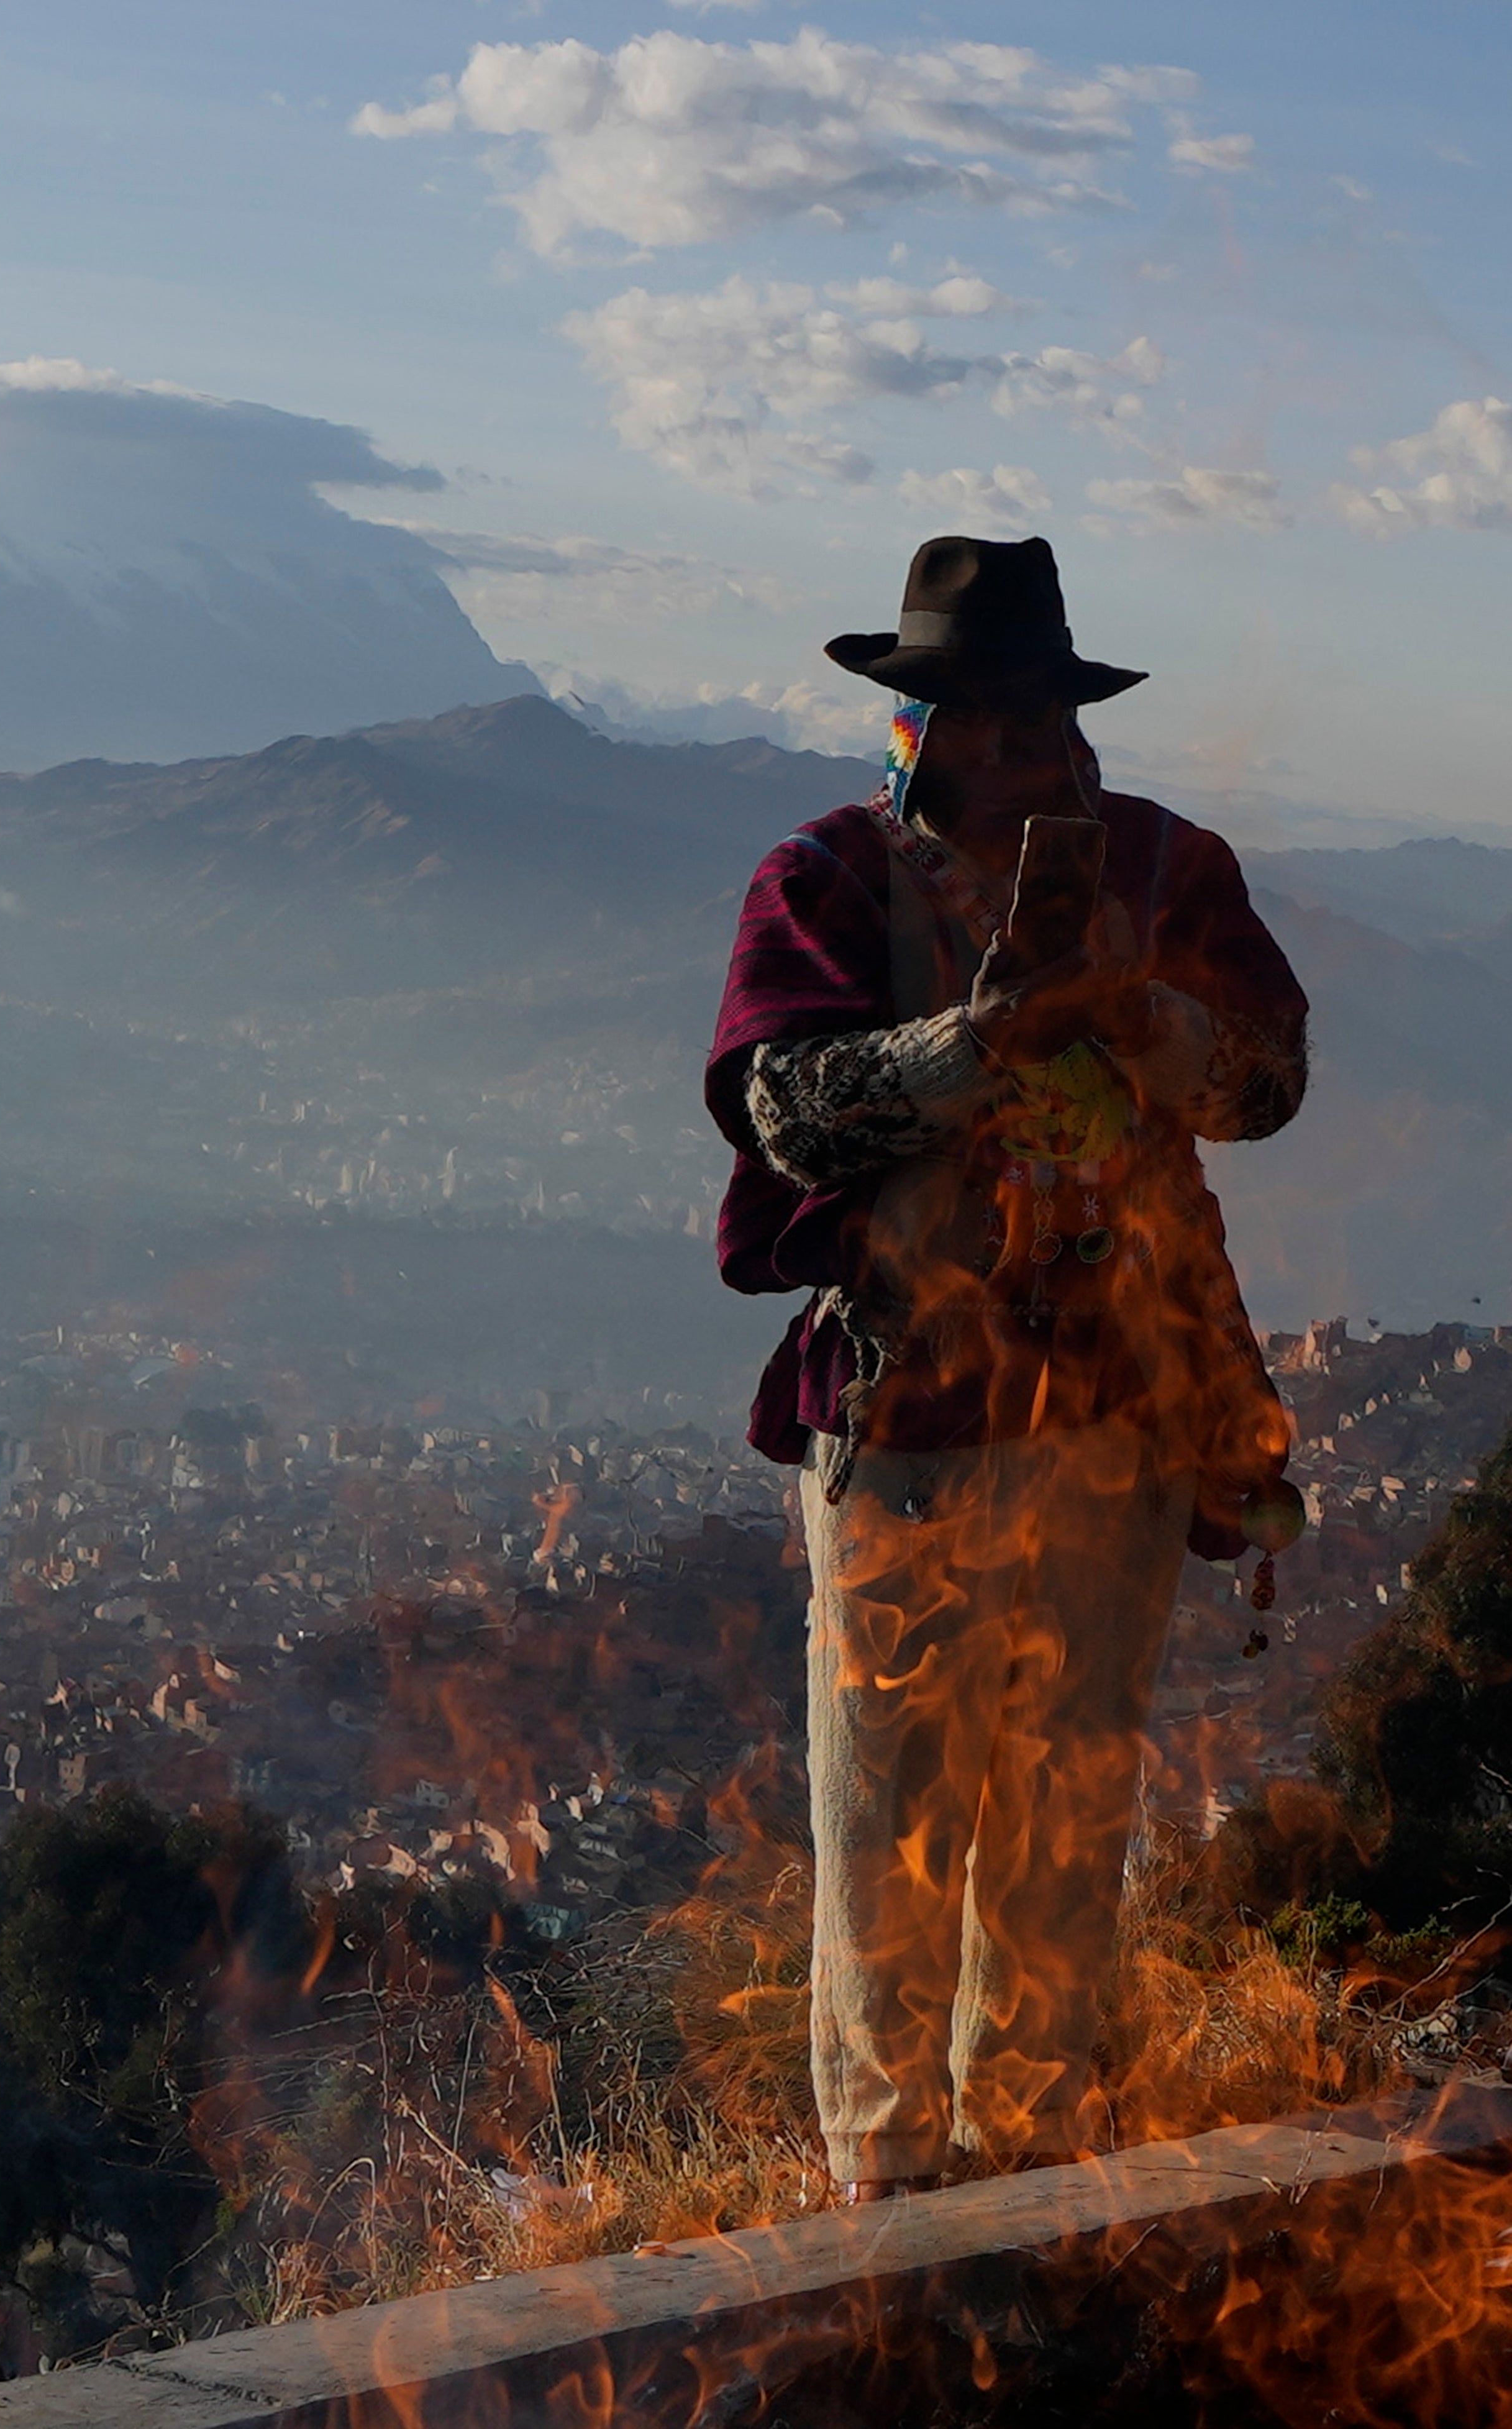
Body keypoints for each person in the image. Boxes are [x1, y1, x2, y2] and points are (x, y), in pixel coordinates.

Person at [704, 535, 1309, 2202]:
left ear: (1065, 716)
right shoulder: (826, 880)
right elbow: (785, 1110)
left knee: (1064, 1824)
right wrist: (982, 1042)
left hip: (1112, 1426)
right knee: (886, 1833)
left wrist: (1149, 1018)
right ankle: (884, 2193)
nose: (1000, 742)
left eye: (1025, 710)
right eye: (969, 711)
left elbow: (1267, 1084)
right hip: (905, 1422)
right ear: (917, 719)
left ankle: (1033, 2178)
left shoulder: (1172, 868)